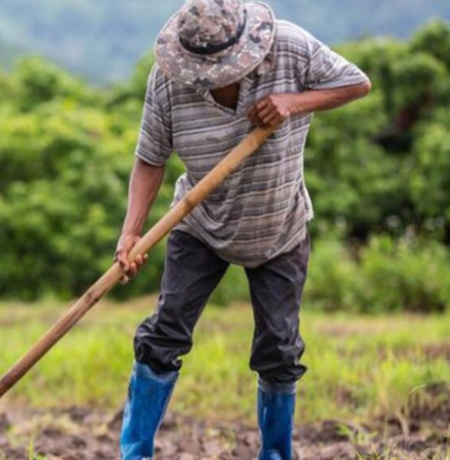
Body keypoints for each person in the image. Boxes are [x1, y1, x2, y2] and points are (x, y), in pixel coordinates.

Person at [114, 1, 371, 459]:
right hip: (199, 224)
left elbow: (357, 83)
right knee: (163, 335)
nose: (210, 77)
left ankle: (276, 455)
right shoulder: (169, 82)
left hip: (279, 226)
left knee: (279, 348)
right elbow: (150, 158)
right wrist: (130, 235)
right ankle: (134, 453)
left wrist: (293, 102)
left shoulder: (290, 48)